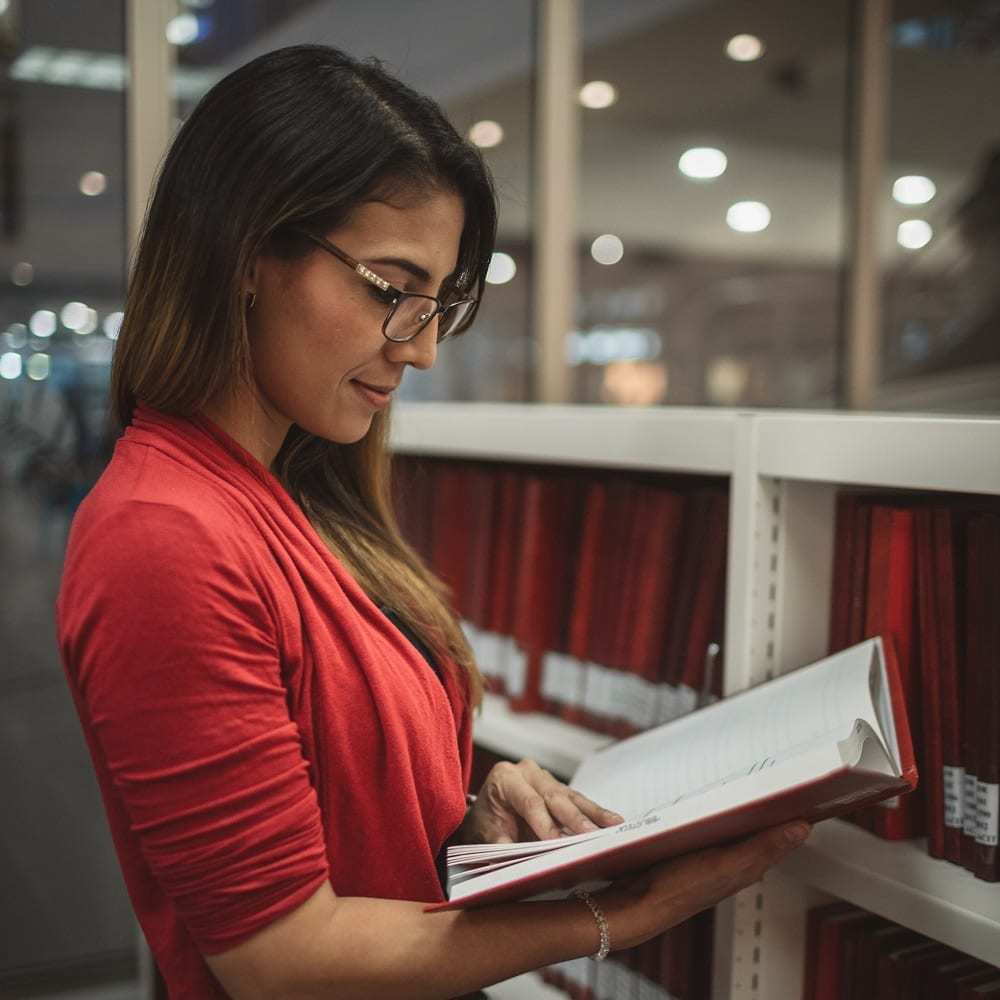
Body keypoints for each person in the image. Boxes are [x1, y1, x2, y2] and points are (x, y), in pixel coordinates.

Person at [56, 44, 810, 1000]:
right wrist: (628, 913)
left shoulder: (292, 498)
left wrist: (471, 821)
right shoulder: (164, 536)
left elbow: (351, 830)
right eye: (389, 289)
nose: (419, 350)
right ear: (248, 253)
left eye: (439, 303)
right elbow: (282, 960)